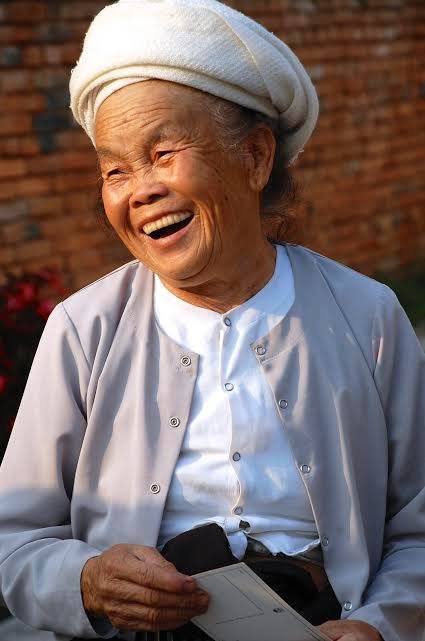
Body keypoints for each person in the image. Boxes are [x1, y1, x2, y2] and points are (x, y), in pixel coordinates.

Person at [0, 1, 423, 640]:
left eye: (163, 153)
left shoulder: (366, 316)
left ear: (254, 159)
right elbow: (13, 537)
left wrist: (380, 625)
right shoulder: (83, 329)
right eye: (115, 170)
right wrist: (85, 579)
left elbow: (418, 525)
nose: (139, 189)